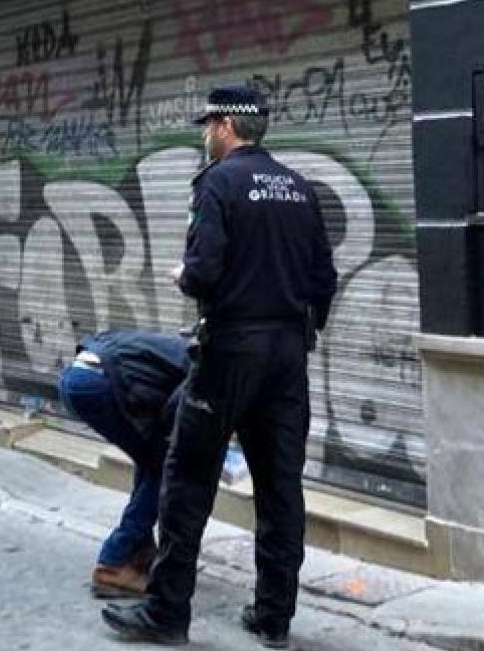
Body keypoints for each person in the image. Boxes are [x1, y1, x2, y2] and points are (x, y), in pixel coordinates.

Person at [102, 86, 337, 649]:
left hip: (230, 351)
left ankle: (166, 613)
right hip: (286, 355)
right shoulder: (301, 189)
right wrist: (299, 331)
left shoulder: (217, 184)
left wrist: (184, 277)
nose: (204, 133)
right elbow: (324, 278)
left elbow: (204, 272)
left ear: (228, 125)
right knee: (281, 489)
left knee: (187, 480)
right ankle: (273, 619)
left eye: (208, 123)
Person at [57, 330, 190, 597]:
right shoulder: (206, 362)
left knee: (152, 460)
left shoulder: (174, 346)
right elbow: (179, 406)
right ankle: (114, 563)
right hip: (99, 383)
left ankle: (138, 549)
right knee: (164, 468)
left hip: (77, 376)